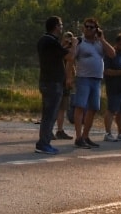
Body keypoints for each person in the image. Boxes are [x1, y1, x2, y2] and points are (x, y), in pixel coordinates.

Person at [72, 17, 113, 148]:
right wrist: (70, 76)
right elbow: (71, 58)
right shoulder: (80, 42)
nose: (88, 29)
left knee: (93, 108)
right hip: (83, 78)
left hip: (96, 79)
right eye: (87, 26)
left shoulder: (99, 43)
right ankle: (78, 137)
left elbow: (112, 54)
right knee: (80, 107)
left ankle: (85, 136)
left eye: (91, 27)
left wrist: (102, 39)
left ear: (96, 29)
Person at [36, 16, 68, 154]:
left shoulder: (45, 41)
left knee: (48, 114)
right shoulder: (50, 41)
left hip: (47, 81)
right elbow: (68, 56)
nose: (62, 27)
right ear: (56, 26)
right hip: (52, 83)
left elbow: (58, 53)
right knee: (50, 114)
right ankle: (44, 143)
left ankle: (44, 141)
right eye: (60, 25)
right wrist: (74, 44)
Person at [55, 29, 77, 139]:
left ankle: (60, 130)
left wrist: (72, 78)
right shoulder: (59, 49)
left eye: (70, 39)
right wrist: (64, 45)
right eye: (66, 38)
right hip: (57, 80)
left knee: (62, 108)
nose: (68, 42)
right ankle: (48, 130)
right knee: (54, 107)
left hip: (65, 82)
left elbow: (72, 65)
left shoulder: (71, 51)